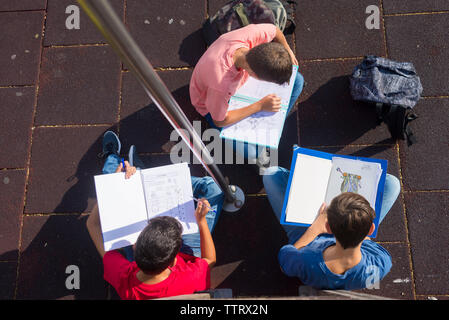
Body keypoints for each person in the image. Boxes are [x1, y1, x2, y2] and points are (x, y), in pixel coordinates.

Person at [86, 131, 224, 299]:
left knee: (111, 178)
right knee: (212, 188)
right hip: (186, 255)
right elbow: (209, 260)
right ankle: (145, 174)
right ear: (174, 261)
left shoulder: (123, 276)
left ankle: (113, 159)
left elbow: (92, 224)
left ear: (135, 246)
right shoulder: (191, 277)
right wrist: (201, 222)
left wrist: (114, 186)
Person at [262, 166, 401, 290]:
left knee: (271, 174)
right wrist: (357, 222)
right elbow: (368, 241)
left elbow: (284, 263)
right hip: (347, 231)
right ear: (371, 229)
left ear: (327, 226)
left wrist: (314, 229)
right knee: (393, 184)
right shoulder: (381, 263)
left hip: (306, 236)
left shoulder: (305, 260)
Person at [190, 23, 304, 166]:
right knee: (252, 153)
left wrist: (288, 51)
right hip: (212, 104)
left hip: (236, 87)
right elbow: (220, 120)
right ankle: (267, 132)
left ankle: (271, 128)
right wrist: (259, 106)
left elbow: (275, 31)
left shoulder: (250, 36)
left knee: (298, 80)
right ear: (253, 74)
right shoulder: (220, 85)